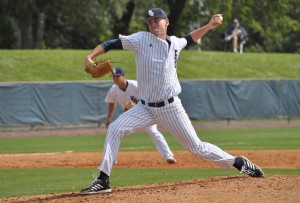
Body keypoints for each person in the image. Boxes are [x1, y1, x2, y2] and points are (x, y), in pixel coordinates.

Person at [81, 8, 264, 195]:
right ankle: (103, 180)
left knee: (197, 148)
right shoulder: (140, 40)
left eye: (156, 20)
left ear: (166, 22)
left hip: (170, 108)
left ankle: (237, 162)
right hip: (144, 107)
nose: (152, 23)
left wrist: (209, 26)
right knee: (114, 129)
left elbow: (189, 38)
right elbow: (111, 43)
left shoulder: (175, 43)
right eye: (150, 21)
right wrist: (90, 57)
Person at [104, 66, 176, 164]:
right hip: (129, 117)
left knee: (154, 132)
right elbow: (112, 102)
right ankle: (110, 159)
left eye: (117, 76)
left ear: (124, 76)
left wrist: (136, 104)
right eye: (113, 77)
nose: (115, 78)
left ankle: (168, 156)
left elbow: (149, 96)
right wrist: (109, 118)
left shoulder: (135, 85)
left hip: (145, 114)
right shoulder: (113, 89)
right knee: (114, 130)